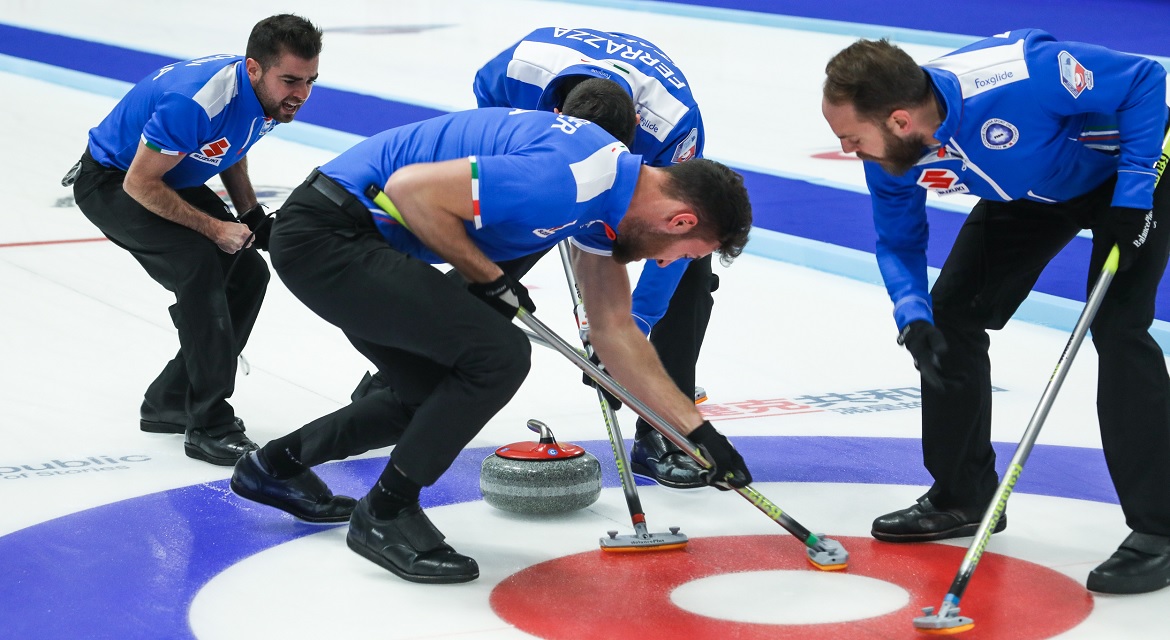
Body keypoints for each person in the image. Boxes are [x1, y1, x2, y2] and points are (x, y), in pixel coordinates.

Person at [228, 100, 753, 584]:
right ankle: (385, 513)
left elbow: (615, 332)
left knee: (429, 398)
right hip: (328, 235)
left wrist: (696, 433)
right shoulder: (567, 180)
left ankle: (273, 467)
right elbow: (413, 191)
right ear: (679, 219)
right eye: (682, 253)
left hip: (353, 238)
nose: (665, 263)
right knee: (498, 357)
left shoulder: (608, 192)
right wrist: (488, 278)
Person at [821, 29, 1170, 595]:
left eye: (850, 137)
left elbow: (1145, 80)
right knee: (947, 315)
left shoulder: (1022, 74)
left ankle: (1162, 526)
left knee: (1117, 327)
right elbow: (899, 241)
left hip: (1132, 171)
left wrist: (1133, 195)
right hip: (1033, 192)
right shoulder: (893, 149)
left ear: (900, 120)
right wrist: (912, 315)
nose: (846, 149)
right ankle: (963, 494)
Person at [69, 14, 323, 465]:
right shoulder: (197, 101)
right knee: (199, 264)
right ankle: (208, 424)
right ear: (253, 69)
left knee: (248, 273)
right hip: (115, 180)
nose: (300, 94)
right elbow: (140, 184)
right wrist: (216, 227)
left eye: (309, 81)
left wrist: (249, 214)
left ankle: (172, 399)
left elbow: (232, 146)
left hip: (169, 176)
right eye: (290, 80)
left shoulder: (265, 95)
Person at [473, 26, 718, 490]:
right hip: (542, 157)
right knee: (482, 262)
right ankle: (399, 387)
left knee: (690, 255)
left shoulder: (673, 126)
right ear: (557, 113)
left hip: (642, 169)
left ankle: (663, 429)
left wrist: (635, 326)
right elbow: (488, 119)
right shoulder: (517, 71)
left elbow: (684, 226)